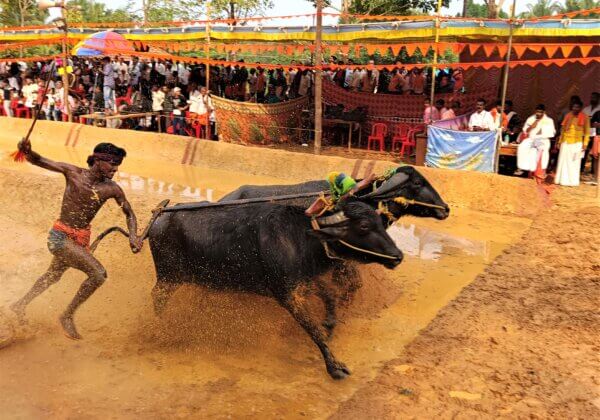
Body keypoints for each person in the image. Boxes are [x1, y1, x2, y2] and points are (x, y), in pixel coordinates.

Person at [10, 140, 142, 339]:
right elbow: (39, 160)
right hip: (60, 237)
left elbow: (130, 214)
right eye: (112, 163)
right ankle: (67, 316)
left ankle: (19, 305)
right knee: (98, 274)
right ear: (97, 160)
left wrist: (133, 235)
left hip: (78, 240)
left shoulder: (112, 189)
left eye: (118, 165)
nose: (115, 169)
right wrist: (27, 151)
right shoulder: (73, 173)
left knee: (53, 276)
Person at [554, 99, 590, 187]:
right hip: (566, 141)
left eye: (577, 107)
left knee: (575, 163)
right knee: (563, 161)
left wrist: (585, 144)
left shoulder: (585, 117)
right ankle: (562, 180)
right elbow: (563, 130)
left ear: (581, 108)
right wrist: (559, 141)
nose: (575, 109)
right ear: (572, 107)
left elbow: (587, 132)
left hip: (577, 143)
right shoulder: (568, 115)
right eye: (574, 107)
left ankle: (572, 182)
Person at [516, 104, 556, 180]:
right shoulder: (531, 119)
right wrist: (532, 126)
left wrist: (542, 132)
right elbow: (525, 131)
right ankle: (525, 169)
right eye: (537, 112)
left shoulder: (549, 121)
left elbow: (552, 133)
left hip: (543, 140)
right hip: (531, 139)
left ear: (544, 112)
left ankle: (540, 172)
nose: (538, 114)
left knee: (541, 151)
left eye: (540, 112)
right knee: (522, 147)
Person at [581, 92, 599, 175]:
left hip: (596, 134)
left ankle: (593, 171)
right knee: (584, 150)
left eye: (595, 98)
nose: (593, 99)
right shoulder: (585, 109)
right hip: (586, 133)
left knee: (594, 152)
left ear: (598, 99)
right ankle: (581, 168)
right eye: (592, 97)